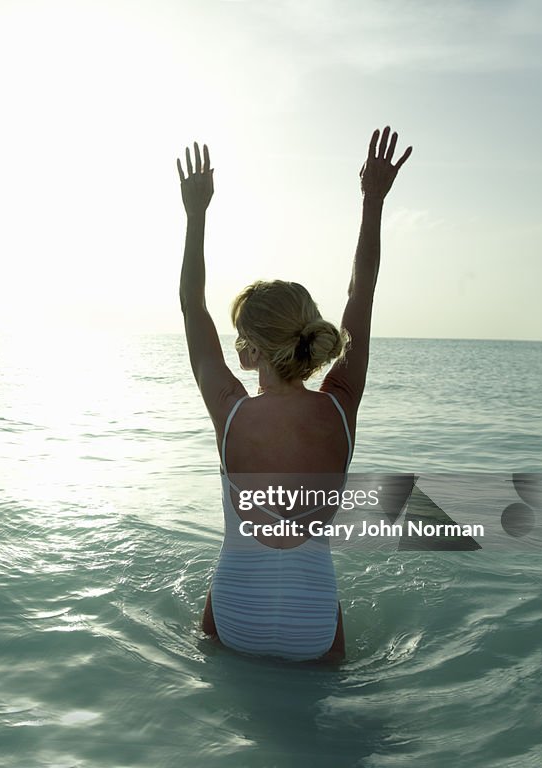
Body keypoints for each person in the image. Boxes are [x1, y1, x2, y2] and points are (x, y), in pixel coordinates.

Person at [177, 127, 412, 661]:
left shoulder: (231, 413)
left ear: (252, 349)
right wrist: (372, 201)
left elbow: (192, 305)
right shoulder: (340, 402)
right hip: (314, 622)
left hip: (235, 614)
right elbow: (362, 290)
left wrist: (196, 214)